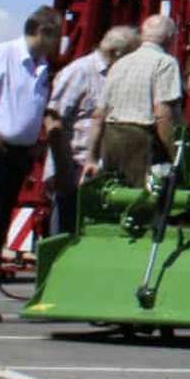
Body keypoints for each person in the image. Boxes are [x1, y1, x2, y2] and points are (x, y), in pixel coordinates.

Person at [0, 10, 63, 325]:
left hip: (18, 154)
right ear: (41, 31)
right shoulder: (2, 56)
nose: (59, 42)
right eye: (56, 34)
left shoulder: (41, 68)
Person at [43, 22, 135, 236]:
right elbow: (54, 119)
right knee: (66, 234)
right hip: (74, 171)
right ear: (116, 52)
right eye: (132, 55)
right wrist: (61, 171)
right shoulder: (80, 72)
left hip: (102, 175)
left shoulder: (116, 75)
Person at [98, 13, 185, 186]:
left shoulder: (119, 64)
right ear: (170, 38)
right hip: (140, 141)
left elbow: (100, 113)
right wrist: (174, 155)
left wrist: (93, 157)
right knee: (142, 204)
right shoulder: (166, 62)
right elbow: (162, 115)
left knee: (114, 199)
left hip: (110, 139)